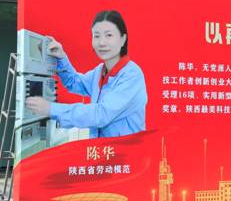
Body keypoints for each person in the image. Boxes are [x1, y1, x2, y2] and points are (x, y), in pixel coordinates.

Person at [25, 10, 147, 138]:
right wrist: (61, 58)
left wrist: (51, 109)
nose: (101, 42)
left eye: (109, 35)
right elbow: (74, 83)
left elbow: (101, 114)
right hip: (100, 148)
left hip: (125, 149)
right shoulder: (100, 71)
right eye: (96, 36)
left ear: (123, 39)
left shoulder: (132, 75)